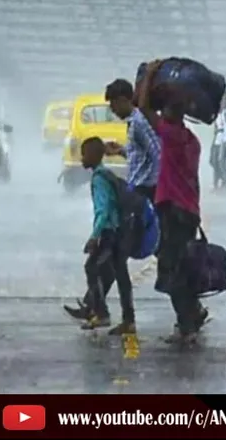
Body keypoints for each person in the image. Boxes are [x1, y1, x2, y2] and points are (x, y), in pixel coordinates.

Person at [65, 78, 161, 323]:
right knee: (112, 259)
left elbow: (157, 154)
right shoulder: (134, 125)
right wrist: (120, 151)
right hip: (135, 194)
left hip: (139, 197)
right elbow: (141, 155)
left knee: (117, 261)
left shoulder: (138, 123)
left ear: (123, 100)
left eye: (113, 106)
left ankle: (121, 317)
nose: (112, 111)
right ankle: (95, 307)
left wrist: (144, 187)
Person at [138, 60, 208, 344]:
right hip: (189, 210)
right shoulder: (193, 140)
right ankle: (192, 314)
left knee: (171, 267)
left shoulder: (169, 135)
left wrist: (152, 73)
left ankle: (187, 323)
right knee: (183, 265)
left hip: (173, 210)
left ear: (171, 114)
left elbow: (142, 108)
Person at [78, 137, 135, 335]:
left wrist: (95, 236)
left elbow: (103, 210)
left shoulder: (99, 178)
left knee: (91, 267)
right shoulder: (107, 174)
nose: (81, 158)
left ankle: (101, 313)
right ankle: (128, 319)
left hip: (109, 232)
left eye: (84, 154)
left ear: (93, 156)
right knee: (120, 273)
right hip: (120, 230)